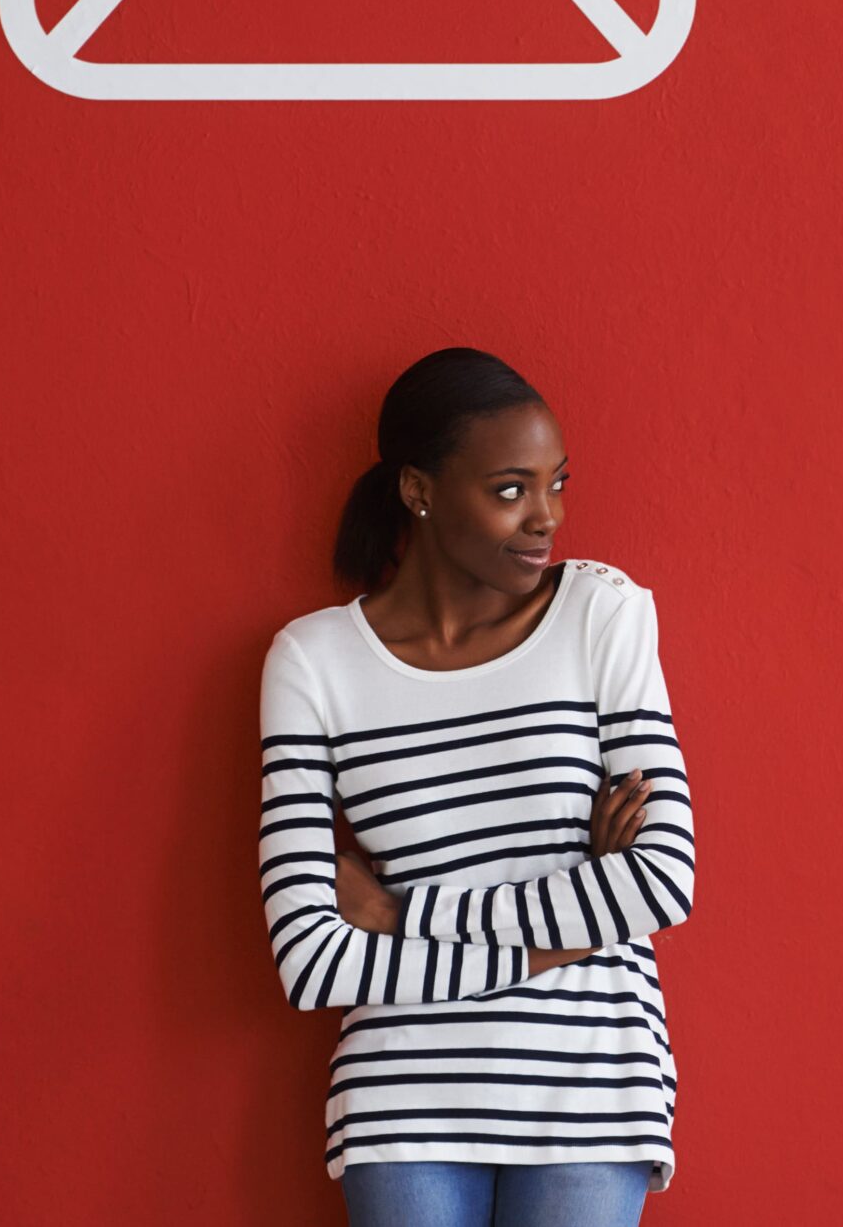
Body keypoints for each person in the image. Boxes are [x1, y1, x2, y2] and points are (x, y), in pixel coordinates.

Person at [258, 347, 699, 1227]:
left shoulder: (601, 613)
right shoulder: (312, 660)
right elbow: (310, 960)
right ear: (418, 490)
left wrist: (401, 912)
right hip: (403, 1095)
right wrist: (575, 929)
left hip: (589, 1082)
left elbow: (660, 881)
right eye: (510, 490)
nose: (547, 517)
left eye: (557, 483)